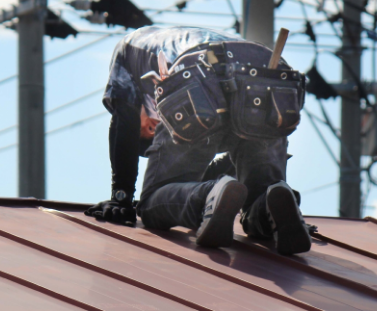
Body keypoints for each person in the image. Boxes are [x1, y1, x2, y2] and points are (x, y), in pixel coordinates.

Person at [87, 26, 312, 255]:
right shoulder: (180, 38)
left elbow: (123, 120)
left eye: (145, 132)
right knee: (260, 194)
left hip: (199, 76)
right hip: (272, 81)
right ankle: (273, 211)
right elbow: (213, 167)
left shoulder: (128, 46)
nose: (155, 128)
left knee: (153, 202)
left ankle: (206, 200)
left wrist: (121, 197)